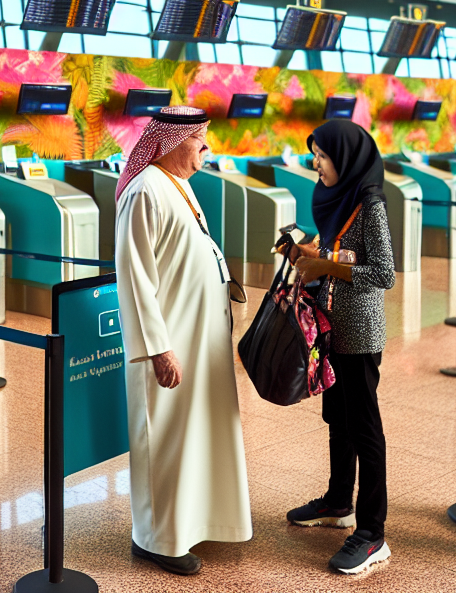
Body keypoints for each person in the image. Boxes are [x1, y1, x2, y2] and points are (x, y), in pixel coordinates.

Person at [111, 106, 251, 576]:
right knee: (166, 438)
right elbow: (134, 278)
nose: (206, 149)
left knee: (196, 435)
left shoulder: (178, 183)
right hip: (170, 341)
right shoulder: (144, 190)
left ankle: (192, 523)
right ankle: (156, 539)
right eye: (200, 139)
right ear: (170, 141)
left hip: (199, 336)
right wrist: (158, 348)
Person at [279, 120, 397, 576]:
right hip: (331, 326)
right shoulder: (335, 197)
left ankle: (372, 532)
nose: (316, 164)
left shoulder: (370, 203)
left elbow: (383, 273)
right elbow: (340, 252)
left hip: (360, 332)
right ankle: (337, 500)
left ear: (345, 159)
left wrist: (325, 264)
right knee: (337, 418)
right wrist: (308, 253)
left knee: (364, 425)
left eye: (323, 157)